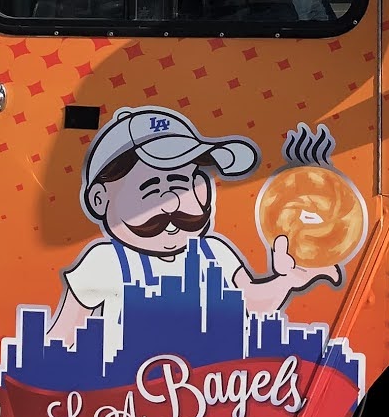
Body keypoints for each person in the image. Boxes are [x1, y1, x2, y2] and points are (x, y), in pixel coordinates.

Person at [45, 106, 341, 358]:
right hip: (123, 399)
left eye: (180, 184)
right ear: (100, 198)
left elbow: (249, 303)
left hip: (205, 395)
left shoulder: (215, 252)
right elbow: (63, 336)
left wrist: (285, 280)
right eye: (152, 189)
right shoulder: (105, 262)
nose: (173, 203)